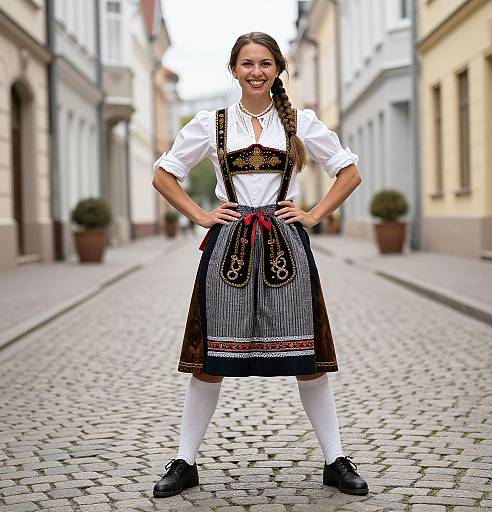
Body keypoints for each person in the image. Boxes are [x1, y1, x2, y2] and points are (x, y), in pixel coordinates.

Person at [151, 32, 368, 499]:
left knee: (308, 360)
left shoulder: (299, 122)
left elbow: (349, 171)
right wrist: (201, 215)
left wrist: (312, 214)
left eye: (265, 63)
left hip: (285, 248)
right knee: (211, 361)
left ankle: (335, 460)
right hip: (228, 249)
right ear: (234, 70)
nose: (256, 72)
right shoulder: (211, 123)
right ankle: (185, 461)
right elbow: (163, 174)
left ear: (277, 69)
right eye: (247, 63)